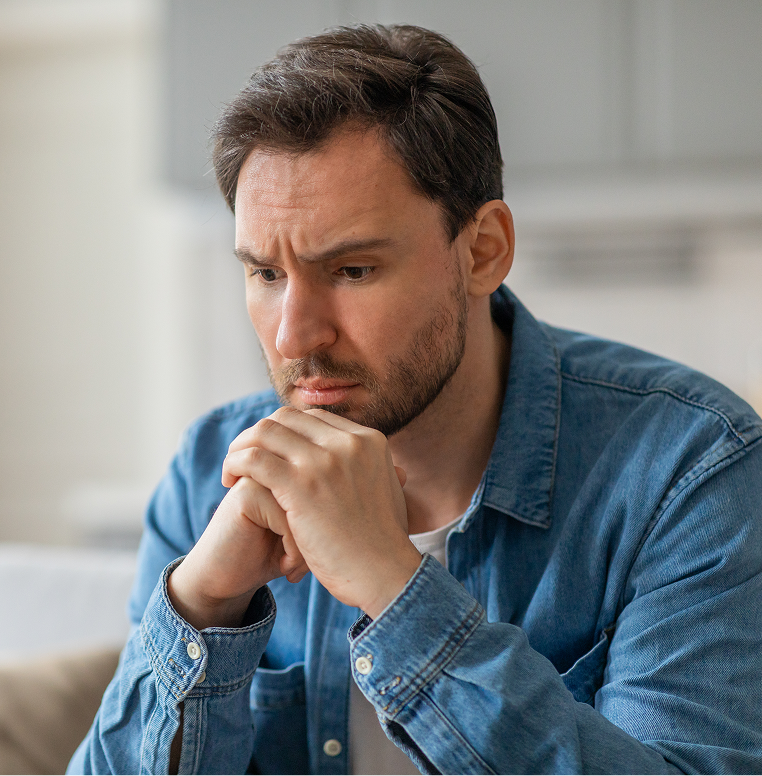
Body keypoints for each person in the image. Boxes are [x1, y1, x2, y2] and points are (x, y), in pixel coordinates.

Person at [67, 23, 762, 776]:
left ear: (484, 250)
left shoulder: (692, 472)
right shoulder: (212, 470)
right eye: (266, 274)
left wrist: (392, 585)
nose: (296, 333)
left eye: (354, 269)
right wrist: (202, 605)